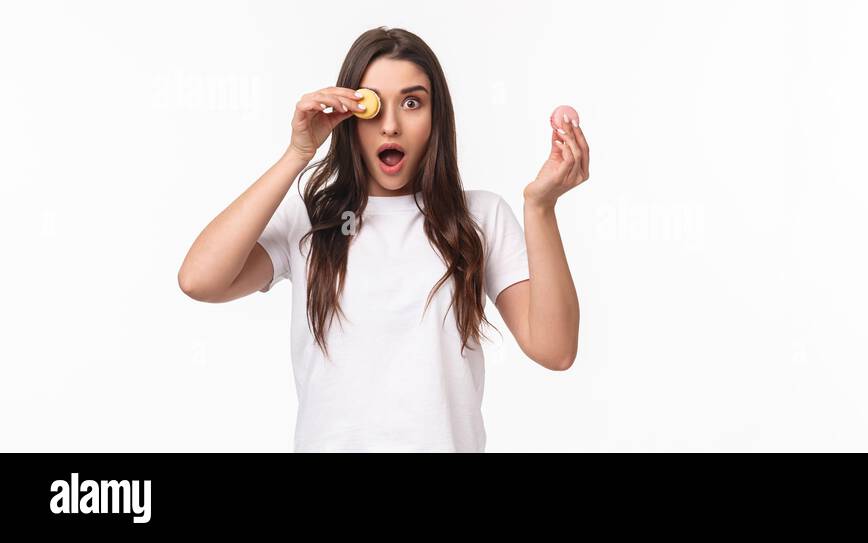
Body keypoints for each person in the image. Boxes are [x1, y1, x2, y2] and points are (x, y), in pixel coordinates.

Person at [177, 26, 588, 452]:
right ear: (348, 118)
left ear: (436, 116)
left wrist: (541, 208)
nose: (390, 126)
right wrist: (298, 154)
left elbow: (555, 349)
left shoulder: (479, 218)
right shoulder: (310, 216)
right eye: (373, 106)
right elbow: (199, 280)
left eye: (412, 103)